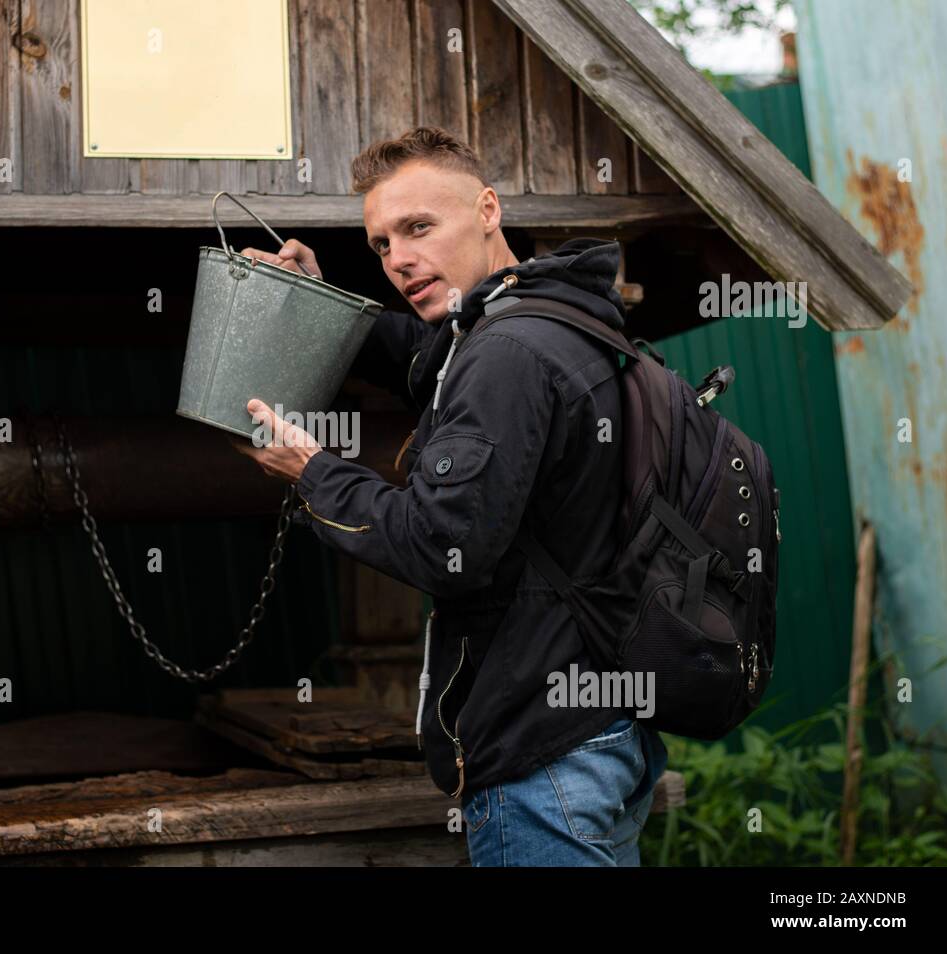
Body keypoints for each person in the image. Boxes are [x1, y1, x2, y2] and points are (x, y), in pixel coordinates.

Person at [231, 126, 667, 866]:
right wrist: (322, 297)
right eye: (380, 245)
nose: (399, 259)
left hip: (541, 760)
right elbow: (423, 354)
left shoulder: (507, 354)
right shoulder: (553, 316)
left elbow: (444, 546)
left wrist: (313, 470)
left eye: (419, 228)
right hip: (600, 732)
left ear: (488, 209)